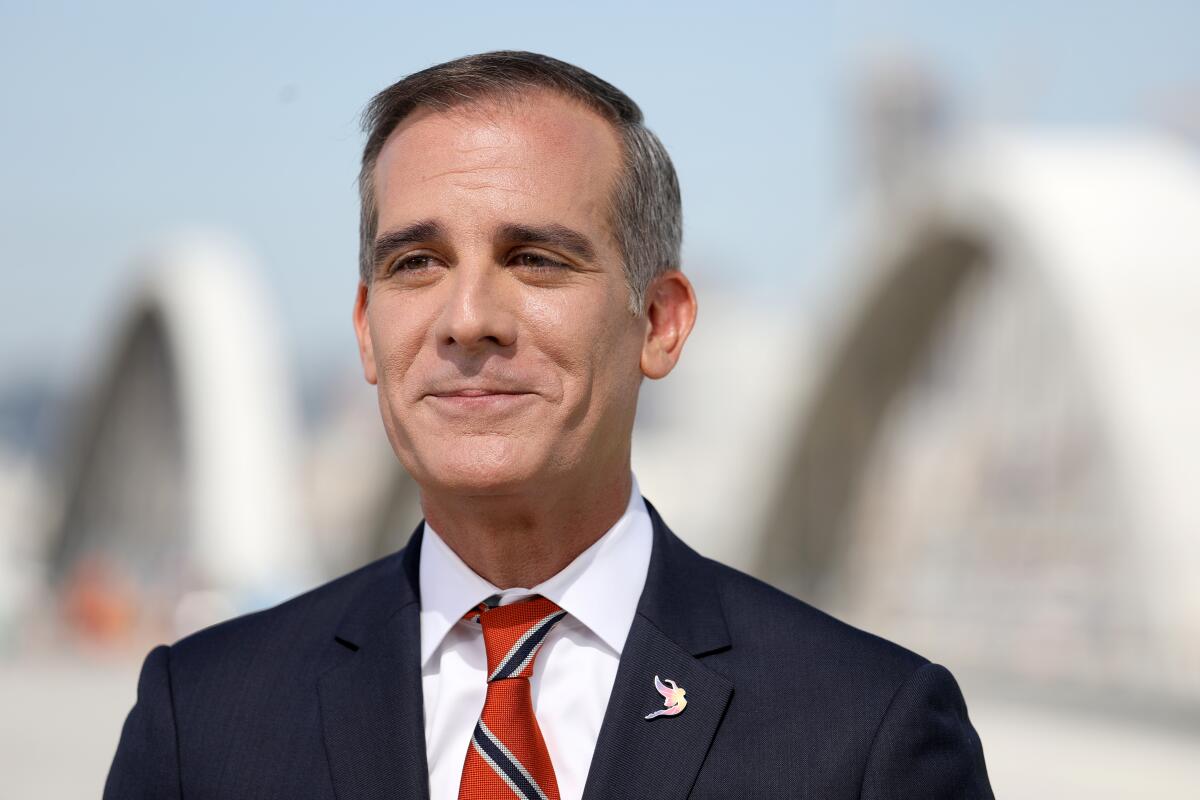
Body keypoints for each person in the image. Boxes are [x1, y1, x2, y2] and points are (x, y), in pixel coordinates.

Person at [104, 51, 993, 799]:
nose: (466, 318)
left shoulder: (867, 732)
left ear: (660, 323)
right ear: (365, 333)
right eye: (416, 263)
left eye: (534, 258)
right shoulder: (203, 724)